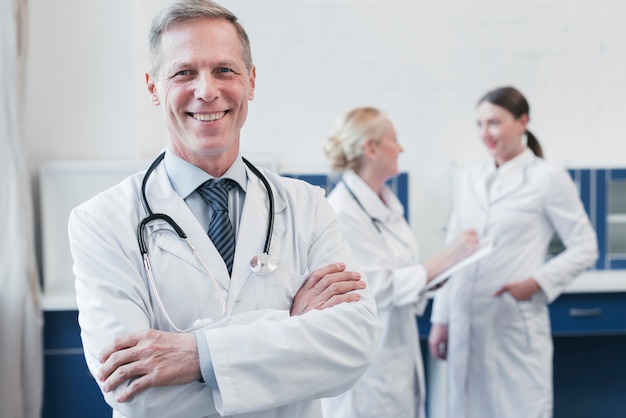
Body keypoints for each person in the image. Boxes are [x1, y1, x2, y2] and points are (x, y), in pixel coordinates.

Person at [67, 2, 381, 417]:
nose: (206, 91)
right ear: (152, 88)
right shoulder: (101, 221)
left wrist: (196, 355)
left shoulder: (307, 206)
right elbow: (131, 385)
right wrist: (291, 325)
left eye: (224, 70)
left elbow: (353, 343)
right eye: (183, 72)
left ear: (250, 81)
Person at [428, 86, 599, 418]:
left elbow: (585, 245)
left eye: (494, 123)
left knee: (517, 409)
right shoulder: (470, 178)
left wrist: (536, 282)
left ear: (523, 122)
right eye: (479, 124)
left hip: (512, 321)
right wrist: (441, 319)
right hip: (464, 318)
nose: (485, 134)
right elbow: (454, 252)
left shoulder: (548, 179)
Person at [320, 106, 479, 418]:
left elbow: (403, 275)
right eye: (394, 139)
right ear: (371, 148)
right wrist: (450, 255)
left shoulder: (388, 204)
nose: (401, 148)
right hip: (367, 364)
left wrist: (432, 278)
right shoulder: (342, 212)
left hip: (396, 354)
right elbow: (374, 287)